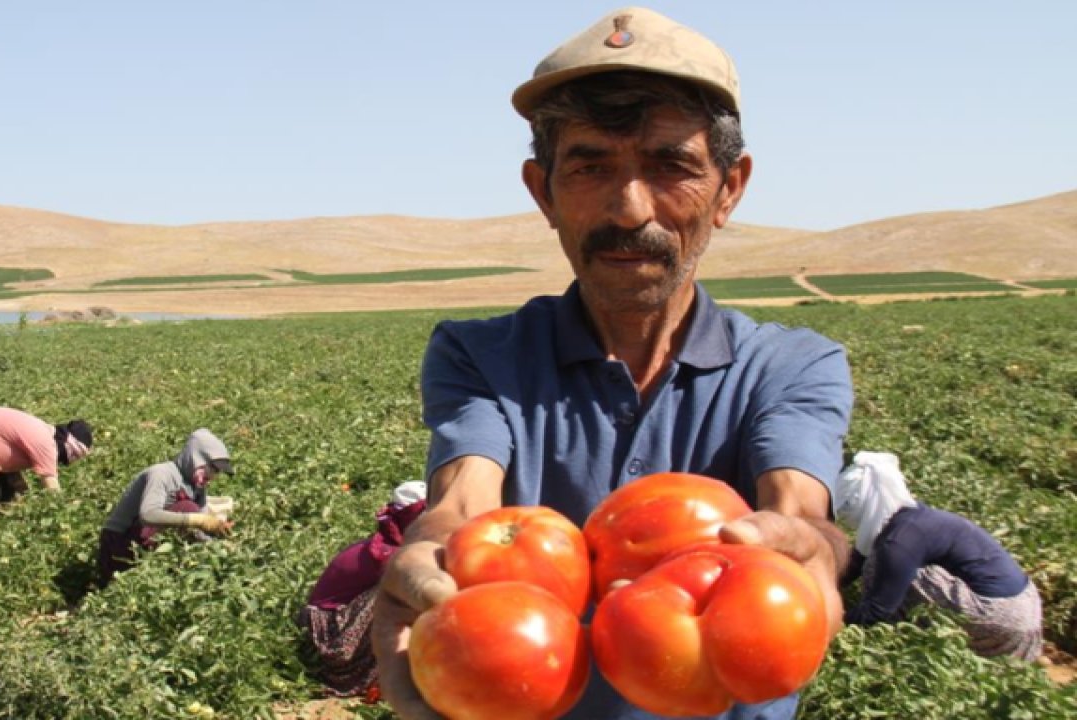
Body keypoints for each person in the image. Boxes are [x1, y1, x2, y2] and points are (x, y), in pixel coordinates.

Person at [371, 8, 855, 720]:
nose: (630, 210)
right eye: (591, 166)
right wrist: (429, 562)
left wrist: (814, 550)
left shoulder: (793, 364)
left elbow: (798, 512)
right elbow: (461, 504)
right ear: (544, 192)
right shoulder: (479, 355)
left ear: (729, 189)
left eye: (671, 166)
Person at [836, 451, 1043, 661]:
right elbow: (854, 563)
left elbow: (877, 610)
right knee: (882, 561)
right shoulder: (911, 519)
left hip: (1000, 616)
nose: (845, 516)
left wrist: (834, 627)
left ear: (862, 501)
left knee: (881, 567)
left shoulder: (897, 540)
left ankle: (902, 644)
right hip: (1027, 609)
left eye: (847, 508)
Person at [298, 481, 427, 698]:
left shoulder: (385, 546)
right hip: (330, 637)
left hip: (334, 625)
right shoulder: (386, 554)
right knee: (401, 590)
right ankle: (388, 672)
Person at [95, 428, 235, 589]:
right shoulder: (162, 473)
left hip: (146, 543)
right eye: (214, 468)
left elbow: (200, 531)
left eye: (218, 472)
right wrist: (196, 519)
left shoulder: (197, 487)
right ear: (196, 458)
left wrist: (220, 544)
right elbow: (148, 514)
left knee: (192, 519)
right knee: (187, 507)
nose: (214, 476)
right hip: (119, 547)